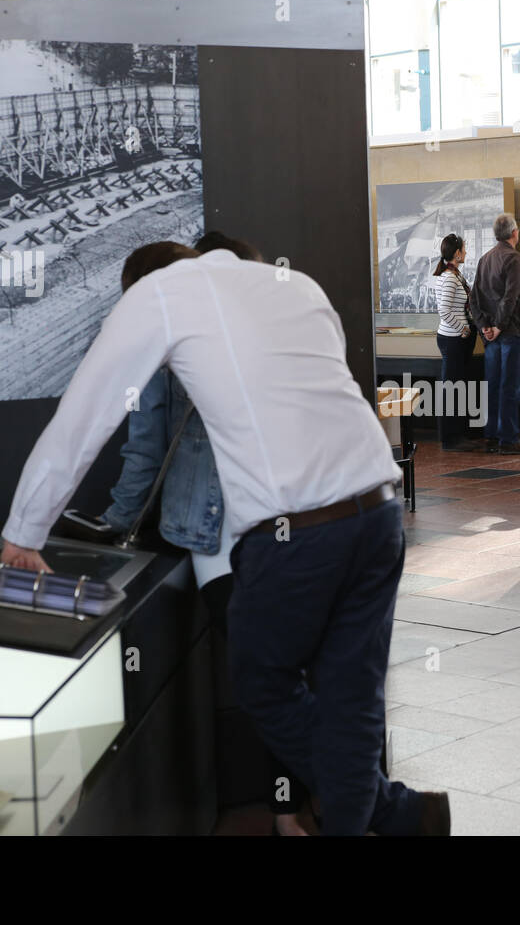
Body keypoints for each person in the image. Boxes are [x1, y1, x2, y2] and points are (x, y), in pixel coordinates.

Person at [0, 239, 450, 836]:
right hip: (379, 514)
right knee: (352, 696)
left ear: (137, 285)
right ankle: (392, 818)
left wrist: (24, 531)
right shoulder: (299, 285)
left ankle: (398, 814)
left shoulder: (158, 294)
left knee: (264, 682)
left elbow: (85, 417)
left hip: (298, 533)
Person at [100, 236, 311, 837]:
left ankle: (292, 816)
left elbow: (144, 453)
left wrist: (117, 524)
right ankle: (302, 811)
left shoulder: (157, 342)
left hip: (214, 538)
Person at [470, 212, 520, 454]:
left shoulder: (484, 259)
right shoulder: (514, 259)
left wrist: (484, 327)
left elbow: (474, 298)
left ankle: (491, 436)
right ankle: (508, 439)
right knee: (510, 387)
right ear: (514, 233)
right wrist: (498, 326)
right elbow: (511, 297)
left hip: (491, 336)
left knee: (493, 386)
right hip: (512, 331)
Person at [433, 233, 477, 452]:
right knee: (452, 387)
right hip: (453, 338)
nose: (466, 253)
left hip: (454, 337)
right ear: (457, 253)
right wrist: (463, 329)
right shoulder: (450, 278)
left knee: (455, 385)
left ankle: (456, 434)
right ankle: (450, 437)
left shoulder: (451, 274)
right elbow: (444, 310)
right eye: (464, 249)